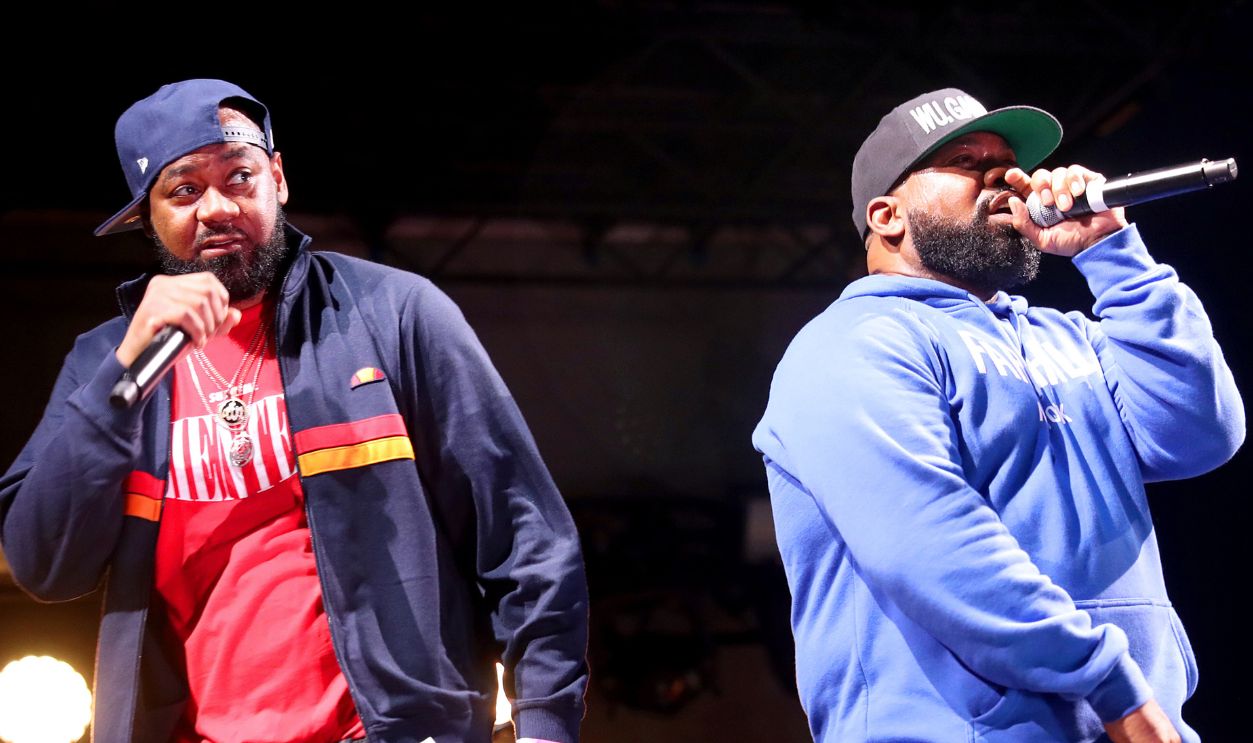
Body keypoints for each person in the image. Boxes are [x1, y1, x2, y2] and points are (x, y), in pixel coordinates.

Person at [0, 79, 588, 743]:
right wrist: (124, 377)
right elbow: (45, 566)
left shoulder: (393, 314)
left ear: (277, 179)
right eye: (184, 190)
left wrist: (545, 724)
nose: (218, 207)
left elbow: (525, 533)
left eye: (239, 176)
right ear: (147, 216)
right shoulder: (105, 362)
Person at [752, 88, 1245, 742]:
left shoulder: (1072, 338)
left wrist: (1113, 255)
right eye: (966, 163)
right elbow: (931, 545)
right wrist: (1110, 683)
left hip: (1134, 723)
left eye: (1009, 165)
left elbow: (1200, 435)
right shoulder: (852, 345)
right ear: (887, 216)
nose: (1007, 179)